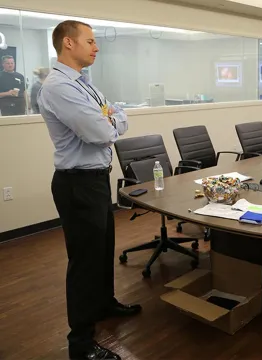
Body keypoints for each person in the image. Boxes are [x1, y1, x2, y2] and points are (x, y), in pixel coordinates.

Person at [37, 20, 140, 360]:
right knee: (83, 262)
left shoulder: (84, 83)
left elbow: (118, 116)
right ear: (68, 43)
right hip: (77, 183)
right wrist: (111, 121)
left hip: (96, 179)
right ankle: (80, 343)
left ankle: (103, 304)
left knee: (103, 248)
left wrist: (111, 120)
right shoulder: (58, 87)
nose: (96, 47)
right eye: (91, 41)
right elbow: (100, 132)